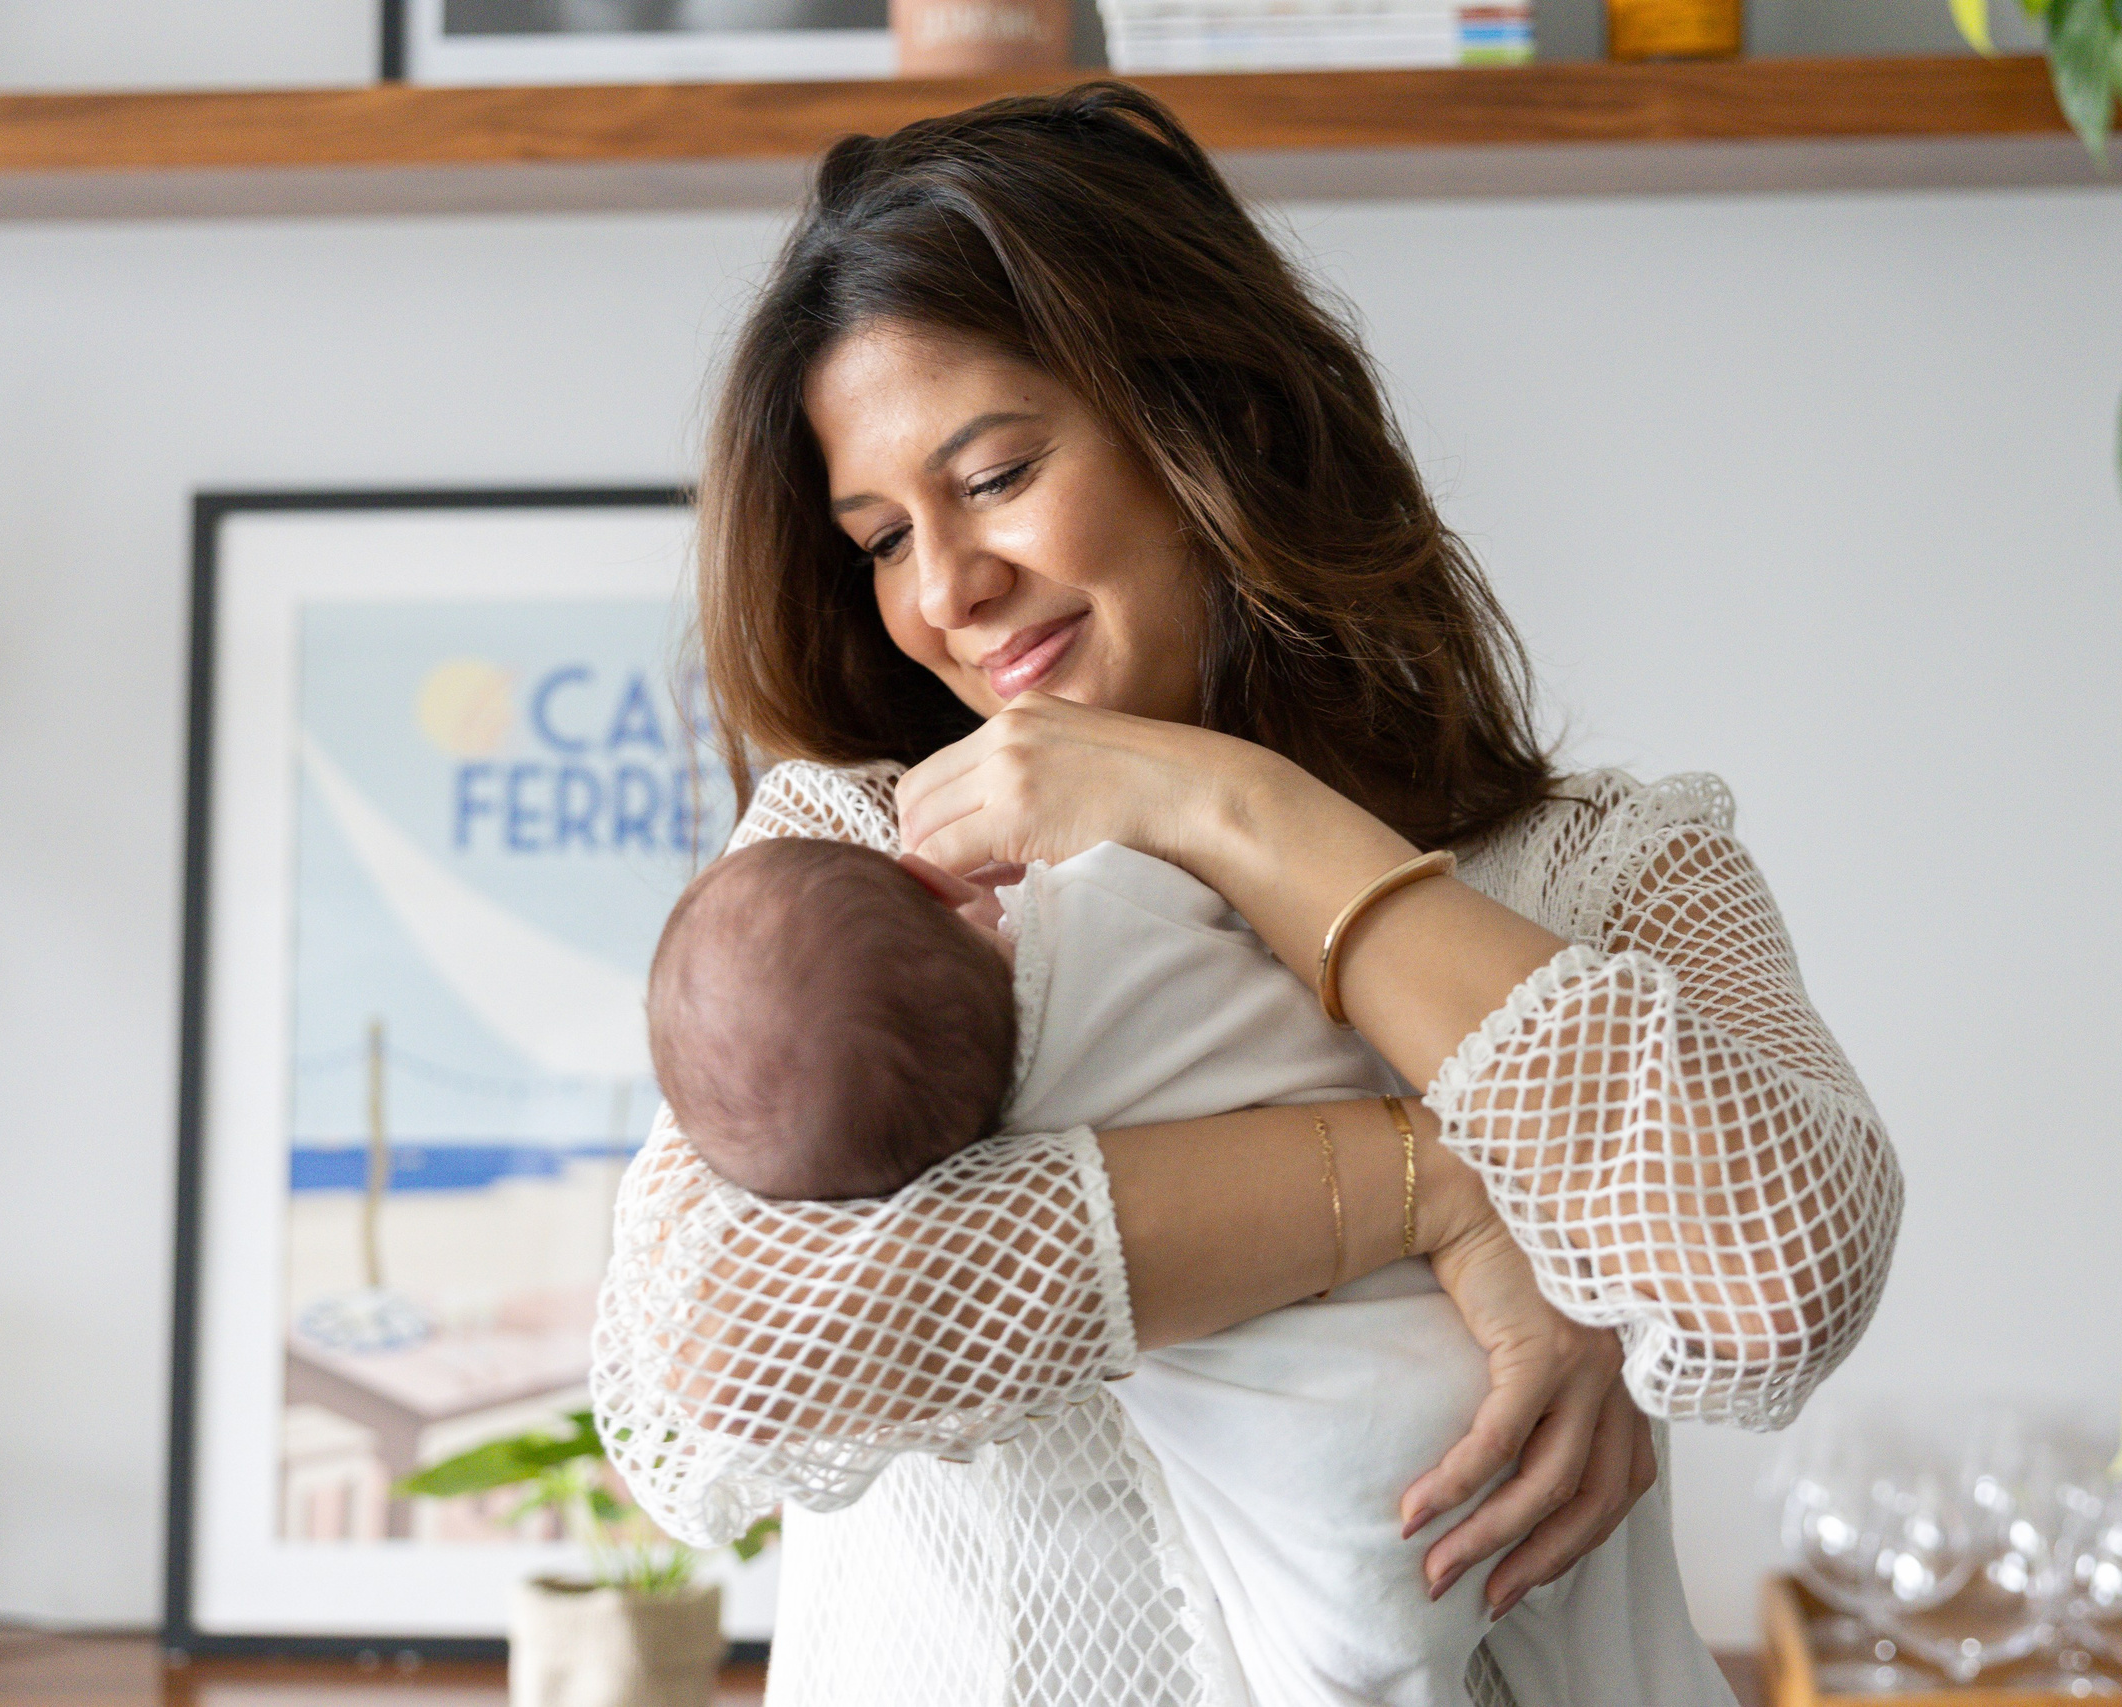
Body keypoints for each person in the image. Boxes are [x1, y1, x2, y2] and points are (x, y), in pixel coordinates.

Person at [591, 80, 1904, 1707]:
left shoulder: (1617, 866)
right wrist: (1440, 1186)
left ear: (1214, 416)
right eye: (877, 535)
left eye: (995, 476)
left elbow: (1785, 1265)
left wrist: (1226, 806)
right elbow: (719, 1361)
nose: (940, 591)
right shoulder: (874, 863)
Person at [645, 828, 1577, 1704]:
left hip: (1365, 1471)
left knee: (1357, 1646)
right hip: (1463, 1367)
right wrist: (1450, 1171)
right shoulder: (1118, 891)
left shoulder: (1002, 1152)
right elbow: (721, 1362)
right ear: (934, 874)